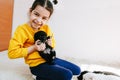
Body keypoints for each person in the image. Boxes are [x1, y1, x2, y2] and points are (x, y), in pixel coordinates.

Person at [8, 0, 81, 80]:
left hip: (50, 58)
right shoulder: (22, 30)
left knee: (77, 70)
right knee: (67, 75)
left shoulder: (46, 28)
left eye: (44, 18)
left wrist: (50, 44)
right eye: (36, 14)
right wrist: (34, 48)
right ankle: (38, 77)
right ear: (30, 11)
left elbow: (53, 43)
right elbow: (12, 53)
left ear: (48, 19)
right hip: (37, 65)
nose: (39, 20)